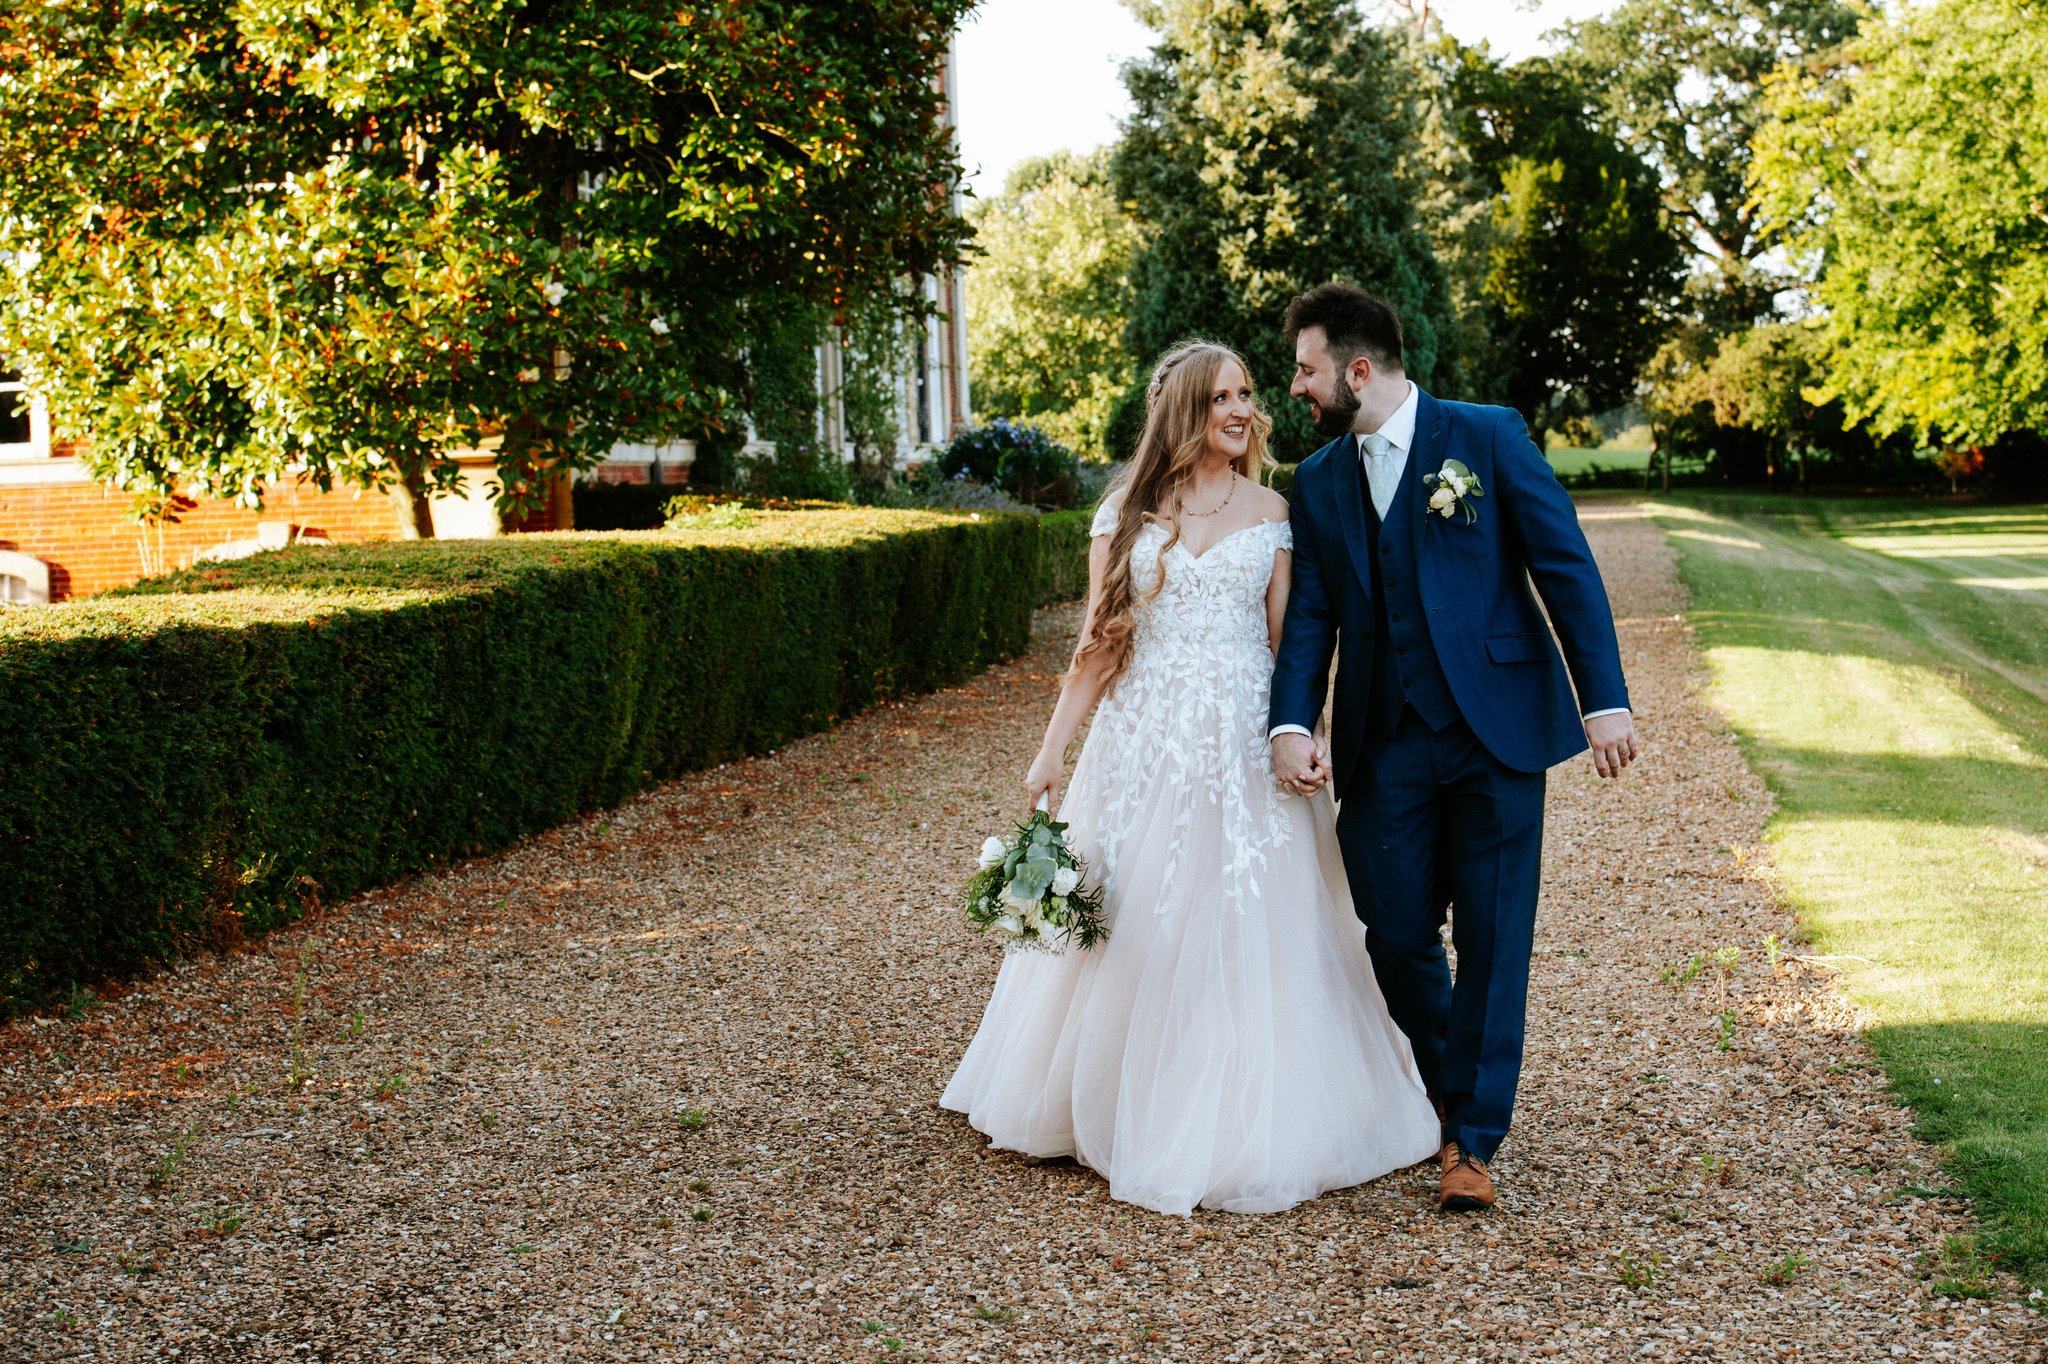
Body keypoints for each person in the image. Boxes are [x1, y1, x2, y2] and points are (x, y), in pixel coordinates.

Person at [941, 340, 1439, 1216]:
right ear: (1184, 412)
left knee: (1249, 918)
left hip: (1246, 745)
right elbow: (1098, 644)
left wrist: (1307, 732)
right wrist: (1052, 749)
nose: (1242, 410)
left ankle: (1248, 1105)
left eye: (1246, 394)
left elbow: (1292, 646)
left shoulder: (1274, 511)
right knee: (1138, 912)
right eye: (1221, 398)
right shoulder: (1124, 513)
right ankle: (1117, 1097)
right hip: (1142, 742)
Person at [1268, 282, 1637, 1213]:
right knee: (1394, 932)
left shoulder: (1488, 436)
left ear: (1357, 370)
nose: (1297, 387)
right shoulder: (1317, 482)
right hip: (1384, 742)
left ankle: (1470, 1138)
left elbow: (1565, 566)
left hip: (1497, 732)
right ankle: (1447, 1090)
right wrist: (1290, 723)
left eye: (1307, 370)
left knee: (1493, 935)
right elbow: (1310, 618)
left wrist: (1604, 700)